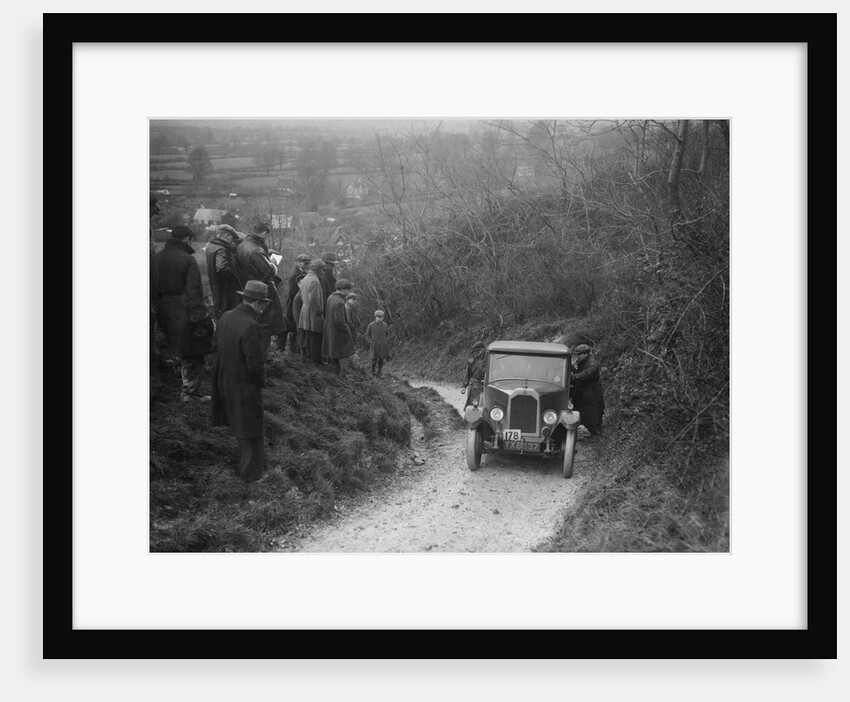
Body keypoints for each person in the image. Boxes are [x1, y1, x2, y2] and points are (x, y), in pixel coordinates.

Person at [211, 280, 270, 482]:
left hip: (225, 380)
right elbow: (255, 363)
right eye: (263, 304)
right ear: (256, 302)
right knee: (253, 431)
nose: (263, 308)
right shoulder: (251, 325)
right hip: (244, 386)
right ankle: (251, 477)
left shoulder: (226, 316)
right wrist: (262, 382)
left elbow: (216, 346)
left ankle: (244, 469)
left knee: (240, 427)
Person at [151, 224, 212, 402]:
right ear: (186, 239)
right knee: (193, 350)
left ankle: (181, 380)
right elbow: (194, 290)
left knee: (174, 345)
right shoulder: (187, 259)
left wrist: (156, 308)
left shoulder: (157, 258)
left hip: (162, 308)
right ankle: (190, 392)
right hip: (183, 309)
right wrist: (200, 316)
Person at [232, 222, 287, 355]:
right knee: (266, 323)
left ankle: (257, 354)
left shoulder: (243, 244)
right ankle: (263, 356)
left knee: (256, 321)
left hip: (249, 286)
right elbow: (268, 271)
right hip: (263, 288)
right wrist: (272, 263)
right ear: (263, 233)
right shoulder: (256, 250)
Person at [205, 224, 242, 320]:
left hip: (215, 285)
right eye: (231, 238)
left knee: (220, 311)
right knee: (228, 313)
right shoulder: (221, 248)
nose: (232, 242)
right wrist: (234, 278)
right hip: (225, 287)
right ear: (226, 236)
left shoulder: (210, 245)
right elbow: (222, 267)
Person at [322, 279, 356, 377]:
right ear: (344, 290)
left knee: (334, 353)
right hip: (337, 332)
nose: (348, 292)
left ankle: (336, 373)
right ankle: (342, 374)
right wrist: (347, 331)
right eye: (348, 290)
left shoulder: (330, 297)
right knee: (346, 353)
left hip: (330, 330)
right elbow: (340, 321)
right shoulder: (339, 302)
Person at [570, 344, 605, 437]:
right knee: (580, 409)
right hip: (583, 391)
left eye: (579, 354)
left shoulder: (592, 364)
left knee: (593, 412)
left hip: (592, 392)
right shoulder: (582, 362)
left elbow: (585, 374)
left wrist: (572, 376)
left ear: (586, 354)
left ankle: (596, 433)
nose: (577, 356)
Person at [280, 253, 311, 354]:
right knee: (293, 327)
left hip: (297, 303)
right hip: (294, 304)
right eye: (304, 263)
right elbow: (292, 293)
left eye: (308, 263)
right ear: (298, 263)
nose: (307, 265)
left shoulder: (302, 272)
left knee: (295, 326)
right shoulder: (295, 274)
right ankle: (292, 350)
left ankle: (293, 349)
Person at [298, 259, 326, 364]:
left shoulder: (306, 278)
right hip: (313, 313)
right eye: (322, 270)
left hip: (305, 310)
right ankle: (316, 361)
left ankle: (309, 359)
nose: (323, 272)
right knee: (316, 337)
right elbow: (314, 300)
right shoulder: (314, 281)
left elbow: (301, 294)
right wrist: (319, 312)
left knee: (309, 337)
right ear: (318, 269)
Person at [461, 341, 487, 410]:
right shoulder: (472, 360)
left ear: (483, 349)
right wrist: (464, 386)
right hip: (474, 386)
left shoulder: (488, 359)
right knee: (472, 405)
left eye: (478, 351)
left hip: (485, 385)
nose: (477, 353)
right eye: (475, 351)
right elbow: (468, 373)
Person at [365, 309, 390, 378]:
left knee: (381, 360)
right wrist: (371, 341)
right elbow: (367, 335)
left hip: (382, 345)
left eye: (382, 317)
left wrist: (386, 340)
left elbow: (388, 334)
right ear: (376, 317)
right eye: (379, 317)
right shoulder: (371, 325)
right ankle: (373, 372)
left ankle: (379, 373)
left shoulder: (385, 325)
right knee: (374, 361)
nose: (381, 318)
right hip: (374, 345)